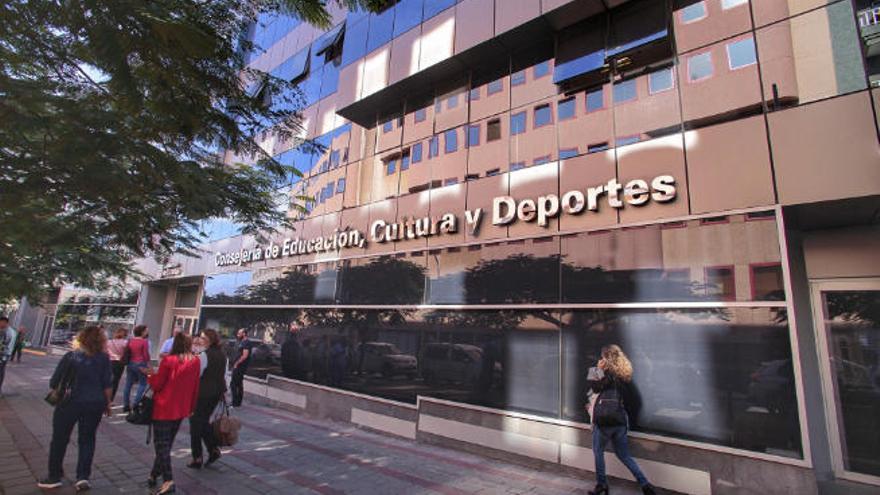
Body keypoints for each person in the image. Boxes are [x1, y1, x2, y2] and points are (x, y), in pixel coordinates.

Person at [37, 326, 112, 492]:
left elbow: (54, 381)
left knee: (59, 439)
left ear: (81, 338)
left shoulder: (71, 356)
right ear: (101, 341)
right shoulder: (104, 358)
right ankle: (83, 477)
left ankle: (54, 476)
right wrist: (108, 404)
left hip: (69, 403)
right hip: (94, 404)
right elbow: (107, 385)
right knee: (87, 439)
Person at [587, 345, 655, 495]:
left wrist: (597, 369)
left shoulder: (607, 375)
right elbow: (633, 400)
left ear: (607, 359)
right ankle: (645, 485)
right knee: (624, 455)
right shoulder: (625, 375)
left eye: (602, 357)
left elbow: (595, 387)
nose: (601, 360)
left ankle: (601, 485)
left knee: (598, 451)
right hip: (620, 421)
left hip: (604, 421)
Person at [147, 332, 201, 494]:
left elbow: (157, 385)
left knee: (161, 445)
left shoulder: (168, 361)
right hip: (181, 408)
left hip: (164, 408)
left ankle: (168, 479)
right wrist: (191, 407)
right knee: (166, 443)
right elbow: (195, 386)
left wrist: (150, 374)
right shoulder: (195, 361)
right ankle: (154, 474)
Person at [188, 329, 227, 469]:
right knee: (204, 422)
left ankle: (197, 457)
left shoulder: (204, 355)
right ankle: (213, 449)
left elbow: (196, 375)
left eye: (203, 338)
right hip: (216, 393)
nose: (200, 340)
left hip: (203, 394)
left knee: (195, 424)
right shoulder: (223, 355)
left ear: (210, 340)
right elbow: (224, 374)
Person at [121, 325, 151, 413]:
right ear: (142, 332)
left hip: (131, 363)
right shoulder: (144, 342)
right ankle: (136, 404)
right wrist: (148, 364)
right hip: (141, 363)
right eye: (146, 331)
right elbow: (146, 355)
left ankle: (126, 405)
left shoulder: (130, 340)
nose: (147, 332)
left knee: (128, 384)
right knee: (142, 384)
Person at [229, 328, 253, 407]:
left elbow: (245, 355)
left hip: (240, 367)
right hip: (237, 366)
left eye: (239, 333)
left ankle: (235, 402)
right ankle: (237, 402)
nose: (237, 335)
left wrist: (237, 363)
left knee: (234, 384)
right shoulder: (241, 342)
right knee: (238, 384)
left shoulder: (246, 343)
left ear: (244, 334)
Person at [106, 327, 129, 401]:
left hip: (109, 362)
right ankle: (111, 399)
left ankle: (104, 396)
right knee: (115, 381)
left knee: (107, 379)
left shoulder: (109, 342)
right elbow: (127, 353)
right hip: (119, 363)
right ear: (125, 335)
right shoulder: (125, 343)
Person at [0, 316, 18, 396]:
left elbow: (4, 344)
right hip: (4, 353)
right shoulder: (7, 330)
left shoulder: (8, 332)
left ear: (5, 322)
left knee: (0, 372)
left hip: (4, 354)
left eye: (1, 322)